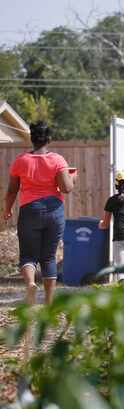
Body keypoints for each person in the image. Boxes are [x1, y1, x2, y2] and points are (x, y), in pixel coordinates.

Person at [3, 121, 75, 305]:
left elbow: (12, 190)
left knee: (28, 255)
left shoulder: (21, 161)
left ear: (31, 138)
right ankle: (49, 302)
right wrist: (73, 177)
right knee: (49, 256)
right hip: (54, 211)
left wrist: (7, 209)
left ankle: (30, 284)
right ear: (49, 139)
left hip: (30, 210)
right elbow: (66, 188)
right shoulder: (58, 160)